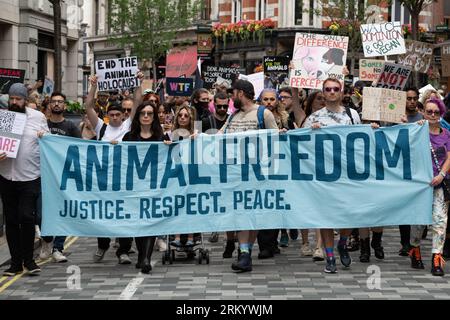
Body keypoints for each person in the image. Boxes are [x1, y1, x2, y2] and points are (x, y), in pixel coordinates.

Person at [303, 78, 362, 273]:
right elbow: (302, 144)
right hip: (323, 175)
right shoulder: (314, 117)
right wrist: (310, 133)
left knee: (350, 214)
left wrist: (373, 130)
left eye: (335, 89)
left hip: (347, 173)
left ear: (341, 91)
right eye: (328, 89)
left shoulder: (352, 115)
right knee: (326, 217)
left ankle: (343, 242)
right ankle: (329, 257)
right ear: (323, 92)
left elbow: (361, 140)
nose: (332, 92)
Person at [219, 79, 278, 272]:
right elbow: (218, 136)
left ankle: (245, 252)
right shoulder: (233, 116)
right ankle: (245, 253)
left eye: (233, 93)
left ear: (241, 93)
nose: (231, 97)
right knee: (243, 213)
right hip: (236, 173)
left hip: (258, 173)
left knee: (252, 214)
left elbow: (276, 140)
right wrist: (197, 138)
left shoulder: (264, 113)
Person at [86, 74, 143, 264]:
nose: (115, 117)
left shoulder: (128, 126)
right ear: (107, 116)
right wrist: (93, 86)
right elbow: (88, 107)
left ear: (123, 116)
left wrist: (138, 83)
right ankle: (103, 245)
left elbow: (137, 102)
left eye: (118, 114)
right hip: (104, 179)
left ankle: (124, 251)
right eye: (112, 115)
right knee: (104, 213)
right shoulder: (101, 128)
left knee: (124, 215)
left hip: (125, 178)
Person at [0, 83, 49, 276]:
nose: (14, 102)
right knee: (11, 219)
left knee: (27, 216)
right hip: (6, 176)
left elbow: (48, 140)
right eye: (11, 99)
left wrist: (43, 136)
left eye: (18, 99)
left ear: (25, 100)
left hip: (30, 176)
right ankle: (15, 262)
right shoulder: (3, 117)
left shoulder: (38, 117)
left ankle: (29, 260)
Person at [122, 101, 166, 273]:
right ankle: (142, 255)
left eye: (149, 113)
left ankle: (146, 258)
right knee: (138, 222)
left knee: (150, 221)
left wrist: (170, 147)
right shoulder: (129, 138)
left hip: (154, 188)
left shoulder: (161, 138)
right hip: (134, 187)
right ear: (138, 116)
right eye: (143, 113)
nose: (146, 116)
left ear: (154, 117)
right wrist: (112, 147)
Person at [38, 92, 81, 263]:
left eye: (60, 102)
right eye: (54, 101)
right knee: (40, 214)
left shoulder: (70, 126)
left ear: (65, 106)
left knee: (64, 211)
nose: (57, 104)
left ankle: (58, 248)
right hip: (45, 175)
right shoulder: (43, 125)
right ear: (49, 105)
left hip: (64, 177)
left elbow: (81, 147)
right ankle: (47, 240)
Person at [411, 98, 450, 276]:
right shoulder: (417, 130)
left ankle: (436, 257)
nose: (432, 115)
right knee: (419, 222)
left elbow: (449, 157)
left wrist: (441, 175)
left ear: (441, 114)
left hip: (440, 184)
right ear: (423, 113)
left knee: (440, 221)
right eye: (429, 112)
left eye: (436, 112)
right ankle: (415, 249)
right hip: (420, 185)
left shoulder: (446, 134)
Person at [169, 105, 198, 247]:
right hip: (175, 174)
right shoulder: (170, 134)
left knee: (190, 206)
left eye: (186, 116)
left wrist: (197, 138)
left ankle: (192, 237)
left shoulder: (196, 133)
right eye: (180, 115)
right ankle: (177, 236)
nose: (182, 118)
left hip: (191, 174)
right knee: (177, 205)